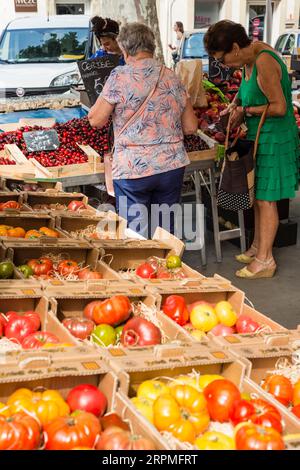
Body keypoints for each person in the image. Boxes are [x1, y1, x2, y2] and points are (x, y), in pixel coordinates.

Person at [204, 20, 299, 279]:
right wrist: (235, 105)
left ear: (235, 47)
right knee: (257, 195)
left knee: (266, 199)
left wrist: (245, 111)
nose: (223, 65)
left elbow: (279, 107)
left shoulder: (264, 62)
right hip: (258, 135)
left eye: (222, 59)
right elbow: (247, 92)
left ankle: (266, 261)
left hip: (274, 138)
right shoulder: (248, 58)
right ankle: (258, 247)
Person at [88, 22, 198, 238]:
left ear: (125, 49)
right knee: (165, 231)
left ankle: (139, 269)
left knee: (135, 233)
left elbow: (96, 120)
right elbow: (191, 127)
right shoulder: (171, 76)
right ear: (152, 47)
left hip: (133, 169)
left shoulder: (120, 76)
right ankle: (168, 268)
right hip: (171, 166)